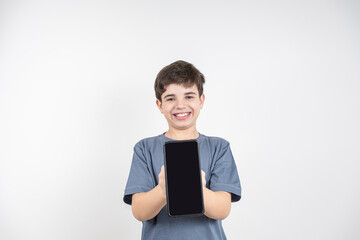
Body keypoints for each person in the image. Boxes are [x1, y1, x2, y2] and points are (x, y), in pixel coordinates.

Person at [123, 60, 241, 240]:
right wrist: (163, 189)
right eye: (170, 98)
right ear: (160, 105)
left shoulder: (219, 147)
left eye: (189, 96)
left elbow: (222, 209)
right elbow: (139, 212)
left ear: (201, 100)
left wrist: (196, 187)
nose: (180, 105)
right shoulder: (144, 149)